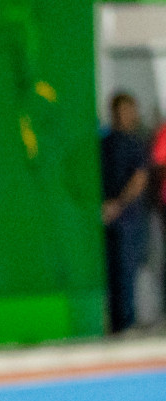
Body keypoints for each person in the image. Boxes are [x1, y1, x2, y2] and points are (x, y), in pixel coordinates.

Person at [102, 92, 150, 333]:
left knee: (126, 271)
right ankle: (115, 323)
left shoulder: (135, 144)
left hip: (127, 220)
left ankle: (126, 324)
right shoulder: (105, 143)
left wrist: (117, 206)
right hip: (105, 219)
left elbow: (139, 179)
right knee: (110, 272)